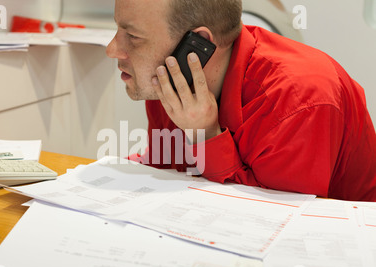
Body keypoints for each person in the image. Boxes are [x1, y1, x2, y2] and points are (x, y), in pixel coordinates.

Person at [106, 0, 376, 202]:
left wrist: (205, 136)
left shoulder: (300, 100)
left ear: (196, 46)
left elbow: (267, 227)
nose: (112, 49)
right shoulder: (172, 83)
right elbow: (170, 175)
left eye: (133, 37)